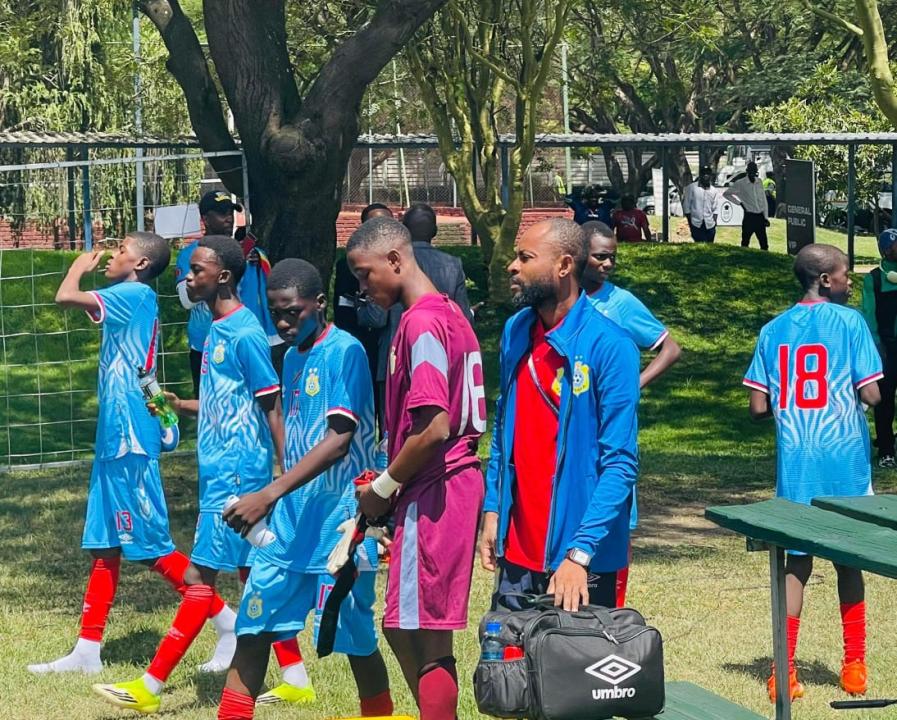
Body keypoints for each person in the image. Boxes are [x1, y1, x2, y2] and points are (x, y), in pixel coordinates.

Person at [92, 236, 312, 714]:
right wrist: (180, 405)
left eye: (196, 271)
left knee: (199, 577)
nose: (187, 279)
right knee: (252, 571)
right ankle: (296, 677)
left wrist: (286, 473)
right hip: (218, 469)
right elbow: (223, 400)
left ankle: (149, 687)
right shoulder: (213, 325)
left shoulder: (245, 332)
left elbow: (269, 403)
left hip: (236, 475)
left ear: (224, 276)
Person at [29, 232, 237, 677]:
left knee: (151, 548)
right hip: (114, 437)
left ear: (141, 264)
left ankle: (227, 624)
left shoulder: (134, 294)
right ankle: (87, 650)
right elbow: (142, 370)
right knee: (104, 546)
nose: (112, 255)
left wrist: (79, 266)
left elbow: (66, 295)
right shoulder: (131, 298)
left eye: (121, 250)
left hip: (129, 441)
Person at [215, 258, 393, 719]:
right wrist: (278, 491)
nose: (282, 322)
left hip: (341, 527)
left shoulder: (346, 352)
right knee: (252, 630)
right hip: (289, 528)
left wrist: (268, 492)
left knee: (357, 641)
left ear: (318, 303)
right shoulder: (291, 357)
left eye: (292, 311)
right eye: (275, 311)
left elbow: (338, 442)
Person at [347, 217, 486, 720]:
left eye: (364, 275)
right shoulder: (451, 312)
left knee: (420, 632)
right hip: (447, 484)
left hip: (436, 486)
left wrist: (383, 487)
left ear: (395, 260)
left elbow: (433, 428)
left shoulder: (421, 322)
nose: (362, 289)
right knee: (411, 626)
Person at [480, 218, 640, 617]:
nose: (512, 266)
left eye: (525, 258)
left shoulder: (612, 346)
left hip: (580, 559)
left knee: (572, 676)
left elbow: (620, 462)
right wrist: (493, 510)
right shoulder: (516, 330)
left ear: (564, 266)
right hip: (517, 548)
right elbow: (503, 430)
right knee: (506, 675)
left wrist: (580, 553)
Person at [744, 243, 882, 702]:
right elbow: (873, 396)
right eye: (845, 275)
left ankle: (784, 672)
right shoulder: (851, 323)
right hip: (845, 462)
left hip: (797, 464)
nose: (849, 282)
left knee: (796, 563)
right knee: (850, 559)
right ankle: (854, 665)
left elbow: (758, 406)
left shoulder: (771, 330)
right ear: (827, 280)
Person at [580, 221, 681, 606]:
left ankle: (614, 613)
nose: (608, 264)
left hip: (611, 429)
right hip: (571, 429)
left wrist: (633, 384)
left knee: (614, 522)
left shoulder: (620, 302)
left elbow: (670, 348)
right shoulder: (563, 303)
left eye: (612, 258)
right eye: (600, 256)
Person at [369, 204, 474, 434]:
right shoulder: (452, 264)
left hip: (394, 359)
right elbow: (464, 319)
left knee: (393, 432)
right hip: (443, 361)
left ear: (403, 230)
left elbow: (377, 319)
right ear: (435, 232)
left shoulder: (391, 265)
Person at [176, 191, 240, 397]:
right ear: (205, 219)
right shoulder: (189, 254)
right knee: (206, 405)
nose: (229, 217)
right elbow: (186, 300)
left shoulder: (243, 252)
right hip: (203, 343)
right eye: (222, 213)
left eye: (231, 212)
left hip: (238, 339)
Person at [333, 203, 394, 400]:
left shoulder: (402, 263)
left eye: (385, 224)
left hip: (394, 352)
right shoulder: (347, 266)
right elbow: (342, 309)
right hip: (362, 347)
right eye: (373, 225)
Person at [862, 228, 897, 469]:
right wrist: (877, 346)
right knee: (885, 400)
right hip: (887, 347)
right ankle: (885, 449)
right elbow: (869, 316)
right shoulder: (874, 279)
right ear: (885, 250)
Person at [723, 161, 770, 250]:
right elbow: (726, 194)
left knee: (764, 243)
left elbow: (763, 200)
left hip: (760, 216)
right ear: (747, 171)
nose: (753, 174)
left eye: (755, 172)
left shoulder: (759, 182)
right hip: (749, 216)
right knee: (745, 241)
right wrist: (739, 203)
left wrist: (766, 217)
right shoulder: (741, 183)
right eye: (751, 172)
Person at [683, 166, 721, 243]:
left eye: (708, 174)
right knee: (700, 246)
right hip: (696, 224)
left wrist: (714, 223)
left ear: (711, 176)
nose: (706, 176)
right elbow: (686, 206)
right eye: (704, 174)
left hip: (710, 224)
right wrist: (690, 223)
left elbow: (715, 208)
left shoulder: (714, 191)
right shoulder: (691, 188)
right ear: (700, 175)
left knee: (709, 248)